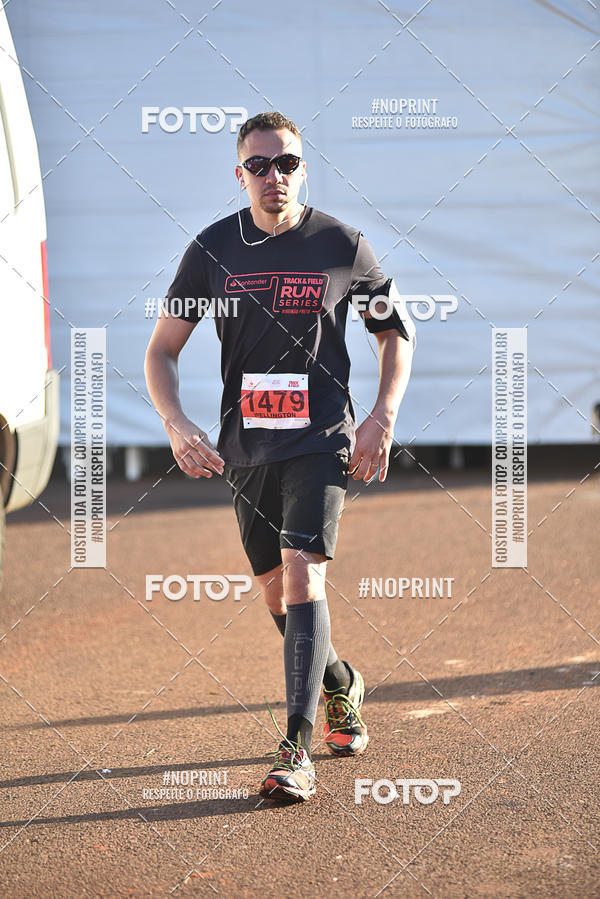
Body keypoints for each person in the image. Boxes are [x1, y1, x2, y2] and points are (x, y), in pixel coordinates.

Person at [144, 110, 414, 803]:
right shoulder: (212, 249)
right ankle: (339, 683)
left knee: (302, 574)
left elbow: (394, 332)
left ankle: (295, 749)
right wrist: (176, 424)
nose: (274, 176)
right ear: (240, 174)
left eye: (286, 163)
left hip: (321, 439)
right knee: (276, 591)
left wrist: (381, 414)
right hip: (247, 448)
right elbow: (161, 351)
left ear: (303, 168)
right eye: (259, 165)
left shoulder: (341, 243)